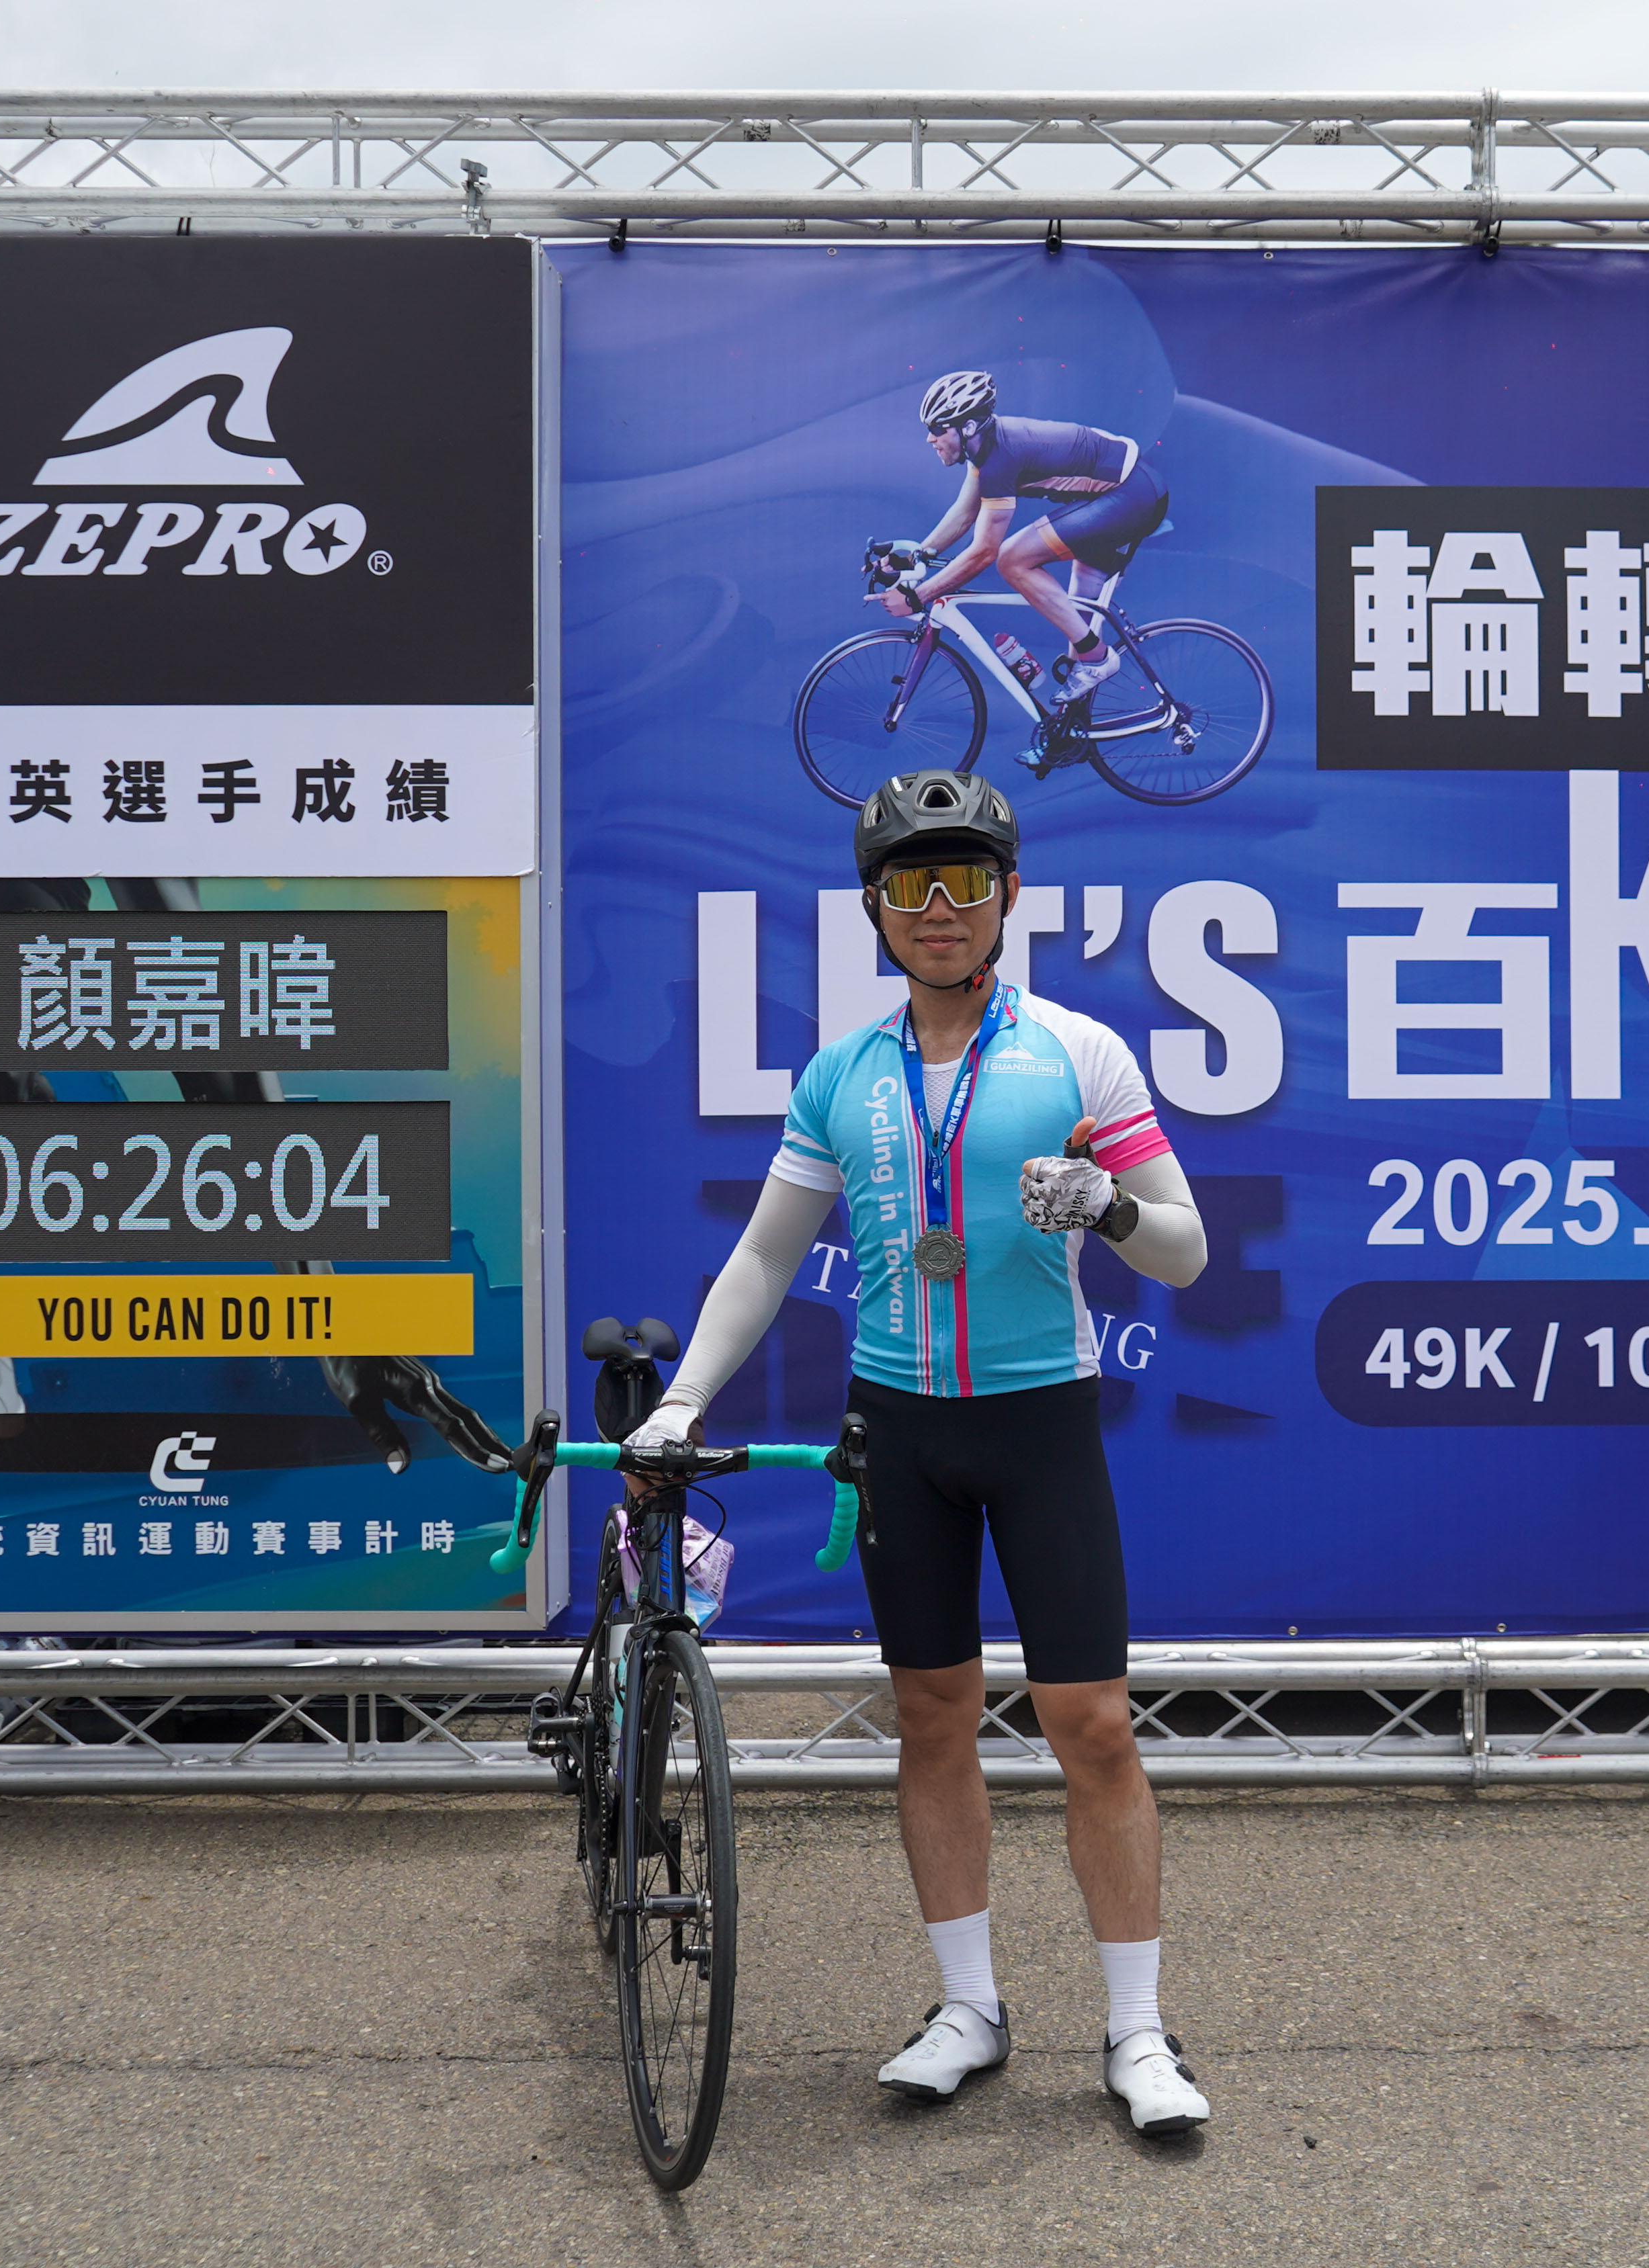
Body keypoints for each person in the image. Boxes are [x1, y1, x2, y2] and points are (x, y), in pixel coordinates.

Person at [624, 770, 1215, 2138]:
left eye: (966, 879)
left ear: (1009, 896)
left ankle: (1137, 2029)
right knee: (934, 1715)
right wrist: (684, 1399)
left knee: (1092, 1724)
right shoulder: (841, 1074)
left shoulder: (1079, 1052)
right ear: (874, 907)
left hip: (1040, 1421)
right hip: (899, 1430)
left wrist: (1111, 1205)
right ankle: (968, 2007)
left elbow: (1187, 1250)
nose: (939, 906)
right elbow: (764, 1256)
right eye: (908, 882)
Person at [884, 371, 1169, 711]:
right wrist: (912, 558)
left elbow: (984, 553)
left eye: (938, 428)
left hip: (1132, 496)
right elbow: (963, 514)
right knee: (1077, 619)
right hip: (1127, 491)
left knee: (1013, 558)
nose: (930, 439)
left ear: (968, 427)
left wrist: (918, 596)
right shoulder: (986, 450)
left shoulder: (1000, 458)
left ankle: (1097, 658)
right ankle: (1075, 720)